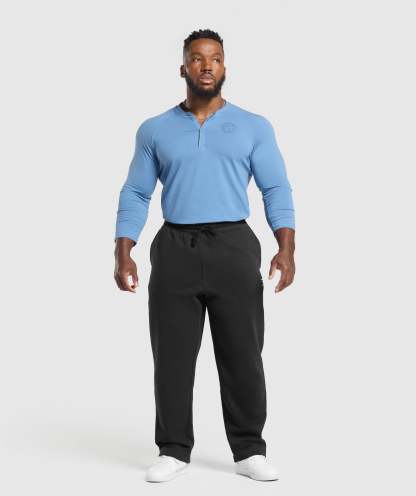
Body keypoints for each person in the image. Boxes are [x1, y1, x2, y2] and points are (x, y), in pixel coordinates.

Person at [113, 29, 296, 483]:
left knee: (243, 353)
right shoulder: (155, 129)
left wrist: (286, 248)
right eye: (197, 58)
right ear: (183, 68)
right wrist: (124, 249)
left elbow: (275, 187)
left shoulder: (253, 126)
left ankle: (249, 449)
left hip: (234, 245)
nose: (206, 65)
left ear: (225, 67)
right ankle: (173, 449)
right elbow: (136, 192)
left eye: (215, 58)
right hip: (175, 247)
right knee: (172, 356)